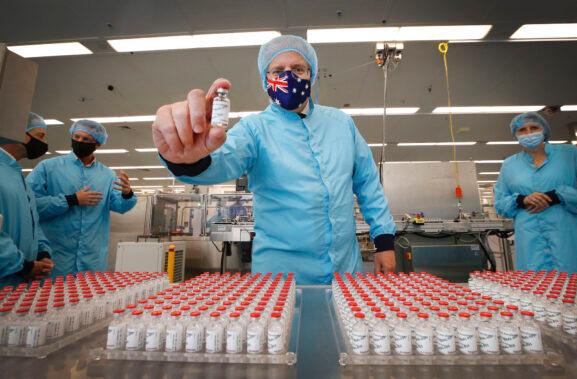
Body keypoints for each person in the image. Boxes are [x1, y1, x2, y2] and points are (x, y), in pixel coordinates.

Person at [152, 35, 397, 284]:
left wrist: (384, 241)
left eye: (298, 69)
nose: (289, 76)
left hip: (345, 270)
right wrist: (187, 159)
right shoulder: (254, 130)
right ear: (265, 80)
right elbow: (219, 161)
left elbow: (367, 183)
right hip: (280, 278)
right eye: (278, 70)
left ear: (311, 75)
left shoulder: (341, 124)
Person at [494, 112, 577, 277]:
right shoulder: (509, 165)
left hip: (571, 236)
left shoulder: (570, 155)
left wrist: (558, 196)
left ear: (544, 130)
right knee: (538, 290)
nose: (529, 133)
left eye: (534, 128)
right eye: (522, 130)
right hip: (531, 239)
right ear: (515, 135)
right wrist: (522, 200)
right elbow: (500, 202)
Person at [26, 120, 137, 276]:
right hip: (55, 256)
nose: (79, 142)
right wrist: (71, 200)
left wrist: (127, 194)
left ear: (97, 144)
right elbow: (30, 206)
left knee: (91, 297)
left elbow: (120, 206)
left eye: (86, 139)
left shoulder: (106, 175)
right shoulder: (48, 168)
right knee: (51, 298)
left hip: (92, 259)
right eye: (76, 137)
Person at [0, 112, 54, 286]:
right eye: (40, 136)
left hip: (18, 282)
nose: (44, 143)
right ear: (18, 133)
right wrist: (23, 266)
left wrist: (41, 253)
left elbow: (32, 222)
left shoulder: (17, 175)